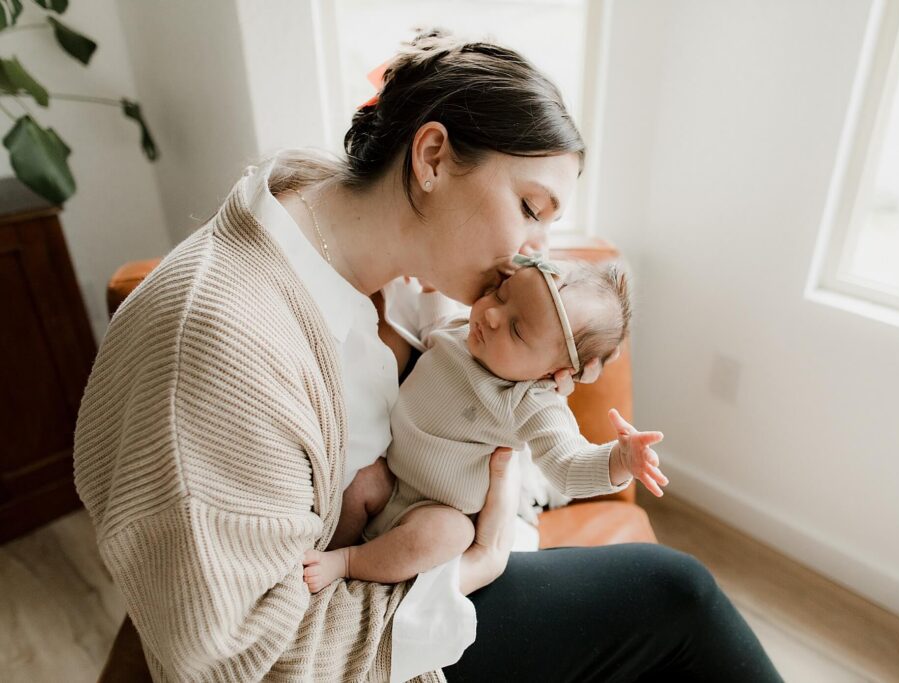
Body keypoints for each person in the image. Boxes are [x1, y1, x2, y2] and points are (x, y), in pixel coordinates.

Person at [74, 28, 782, 682]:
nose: (533, 253)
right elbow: (238, 658)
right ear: (433, 156)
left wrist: (553, 369)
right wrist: (471, 566)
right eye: (532, 209)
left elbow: (505, 402)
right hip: (355, 631)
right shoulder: (221, 341)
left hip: (419, 556)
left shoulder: (391, 265)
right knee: (673, 594)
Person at [301, 258, 670, 591]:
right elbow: (435, 326)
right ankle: (322, 552)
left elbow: (567, 463)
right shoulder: (467, 331)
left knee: (449, 534)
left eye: (518, 330)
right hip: (391, 476)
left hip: (435, 508)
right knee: (360, 479)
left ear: (553, 372)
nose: (492, 315)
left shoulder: (530, 400)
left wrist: (620, 462)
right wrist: (432, 287)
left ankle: (348, 563)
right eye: (501, 293)